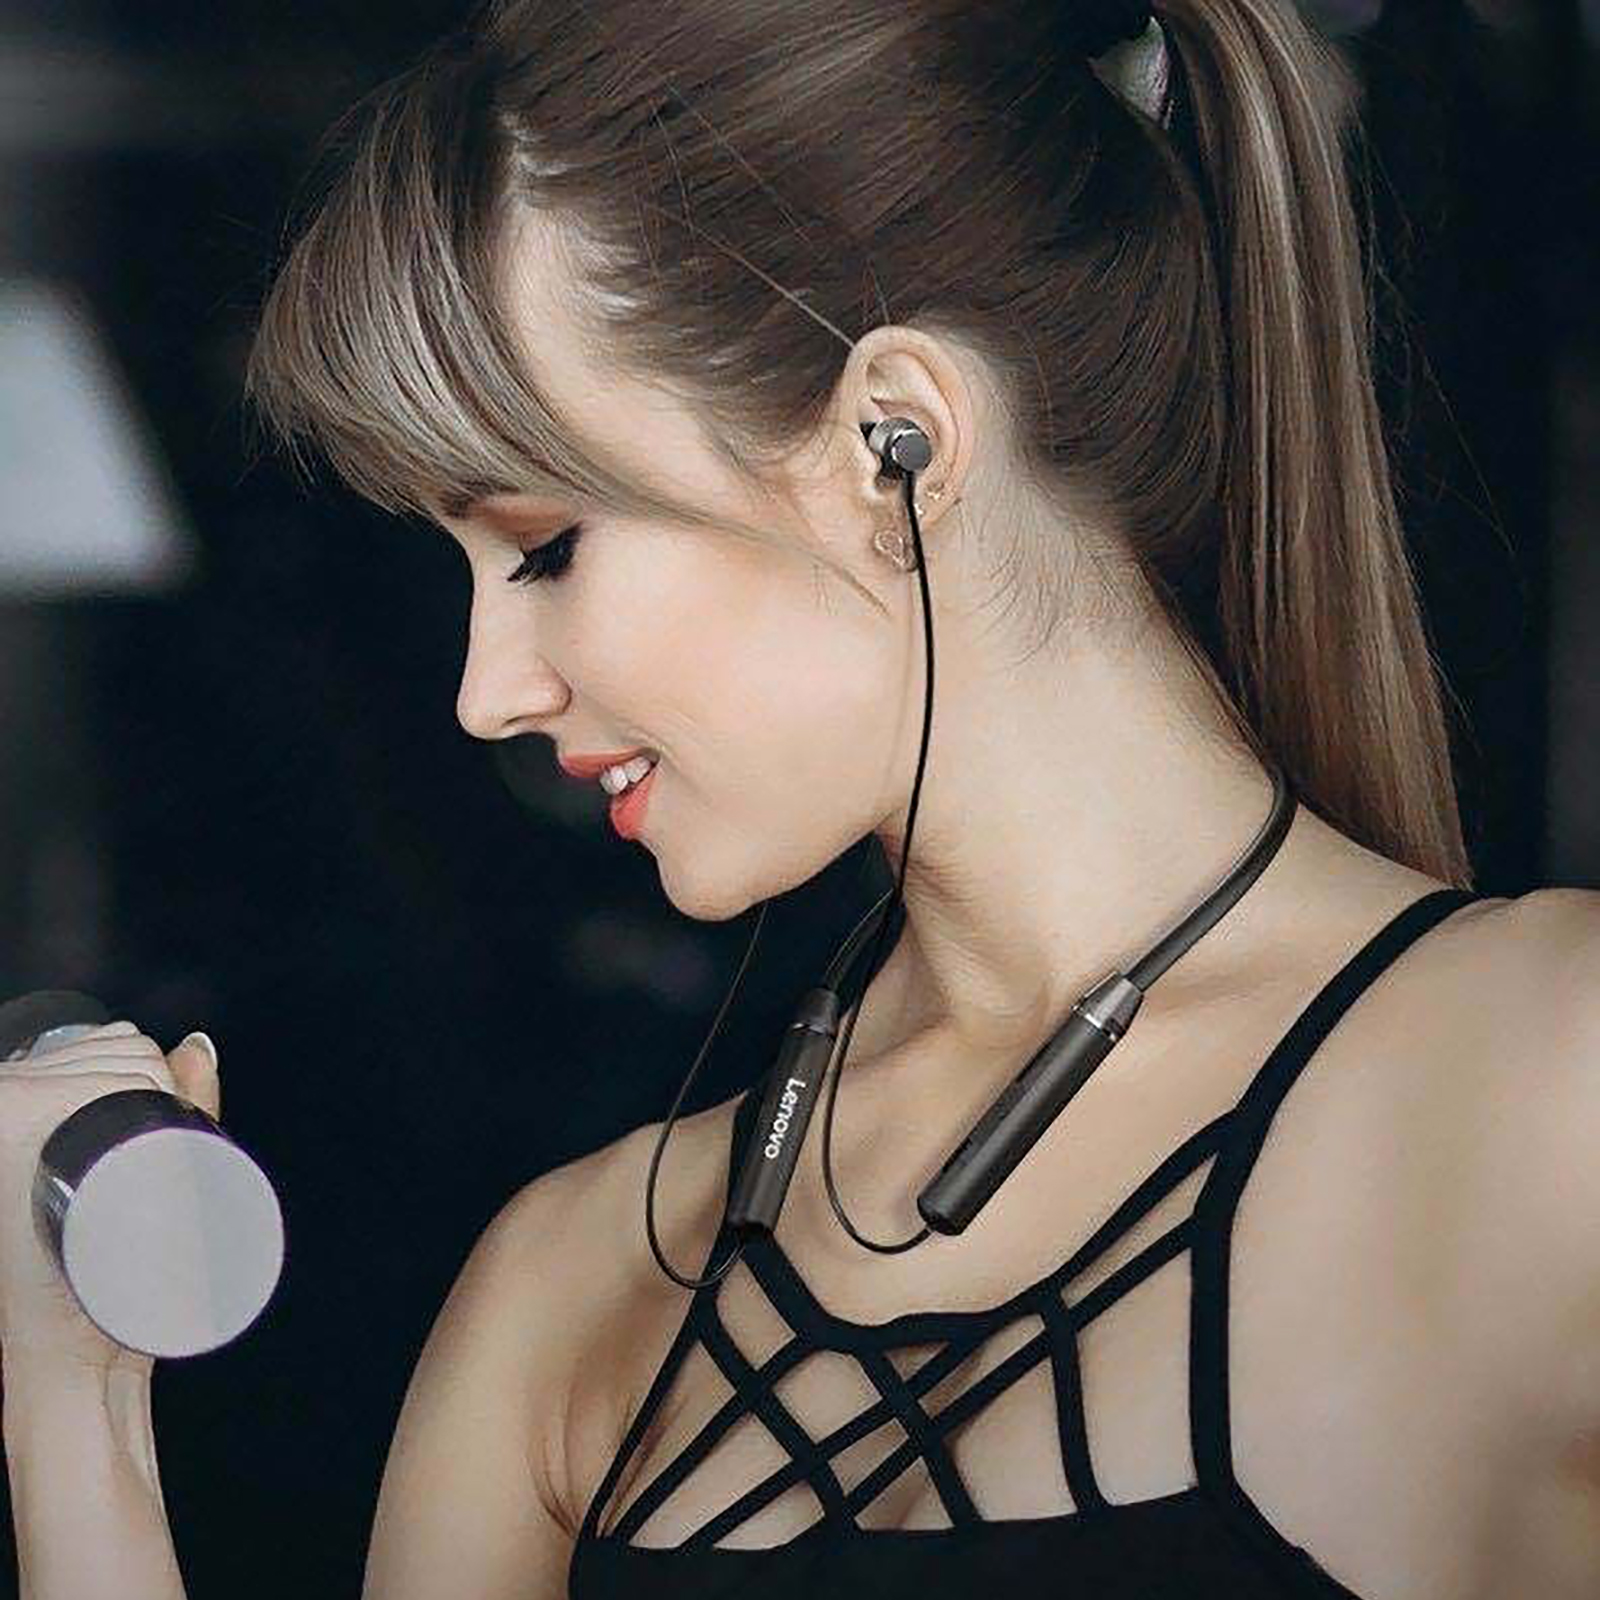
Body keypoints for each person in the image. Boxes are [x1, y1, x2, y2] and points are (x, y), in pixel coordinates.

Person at [4, 1, 1597, 1597]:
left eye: (545, 547)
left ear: (896, 439)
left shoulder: (1547, 1086)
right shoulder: (572, 1289)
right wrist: (75, 1410)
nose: (486, 693)